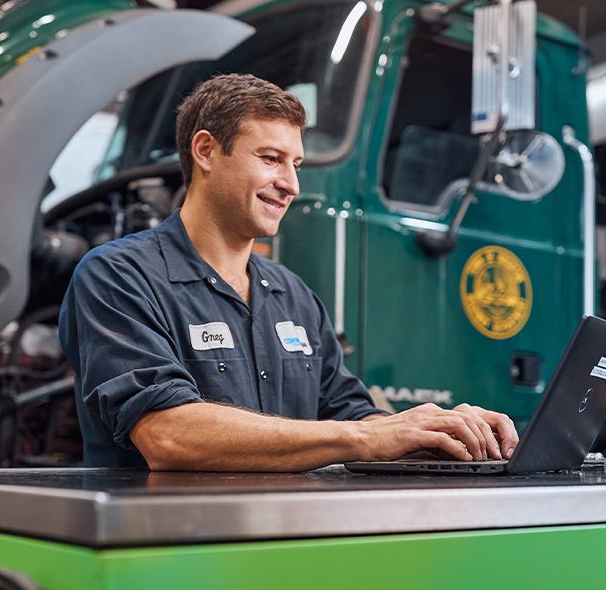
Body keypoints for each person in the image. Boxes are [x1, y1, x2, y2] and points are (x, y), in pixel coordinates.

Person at [59, 73, 518, 471]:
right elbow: (167, 434)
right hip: (166, 551)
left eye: (295, 164)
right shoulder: (118, 276)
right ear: (205, 151)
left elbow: (349, 412)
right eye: (270, 158)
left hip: (288, 543)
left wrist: (433, 433)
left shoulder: (291, 294)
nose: (292, 185)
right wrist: (365, 440)